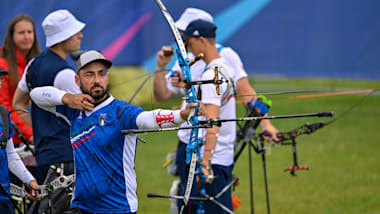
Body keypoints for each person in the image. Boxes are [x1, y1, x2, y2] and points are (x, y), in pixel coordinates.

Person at [29, 50, 204, 213]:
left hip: (117, 208)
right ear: (77, 80)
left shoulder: (120, 112)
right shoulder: (74, 110)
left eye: (101, 73)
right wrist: (66, 97)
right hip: (82, 207)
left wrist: (182, 114)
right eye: (89, 74)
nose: (97, 80)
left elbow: (148, 118)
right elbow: (36, 94)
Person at [154, 8, 278, 213]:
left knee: (209, 204)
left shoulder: (220, 64)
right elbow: (163, 95)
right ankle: (182, 196)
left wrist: (266, 124)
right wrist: (163, 67)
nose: (183, 42)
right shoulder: (187, 59)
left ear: (201, 38)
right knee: (192, 202)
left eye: (186, 37)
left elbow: (233, 104)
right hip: (189, 144)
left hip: (211, 153)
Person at [12, 9, 85, 183]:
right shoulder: (65, 73)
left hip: (44, 154)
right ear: (63, 37)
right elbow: (87, 117)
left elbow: (18, 103)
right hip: (67, 156)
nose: (80, 36)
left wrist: (40, 129)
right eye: (75, 32)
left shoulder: (32, 64)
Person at [0, 68, 39, 214]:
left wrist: (30, 181)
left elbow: (9, 155)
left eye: (0, 79)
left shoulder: (3, 113)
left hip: (4, 199)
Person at [0, 14, 41, 145]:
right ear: (11, 36)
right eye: (21, 33)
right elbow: (4, 107)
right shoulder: (2, 65)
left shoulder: (39, 62)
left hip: (38, 136)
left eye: (30, 32)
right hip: (15, 141)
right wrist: (29, 134)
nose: (27, 37)